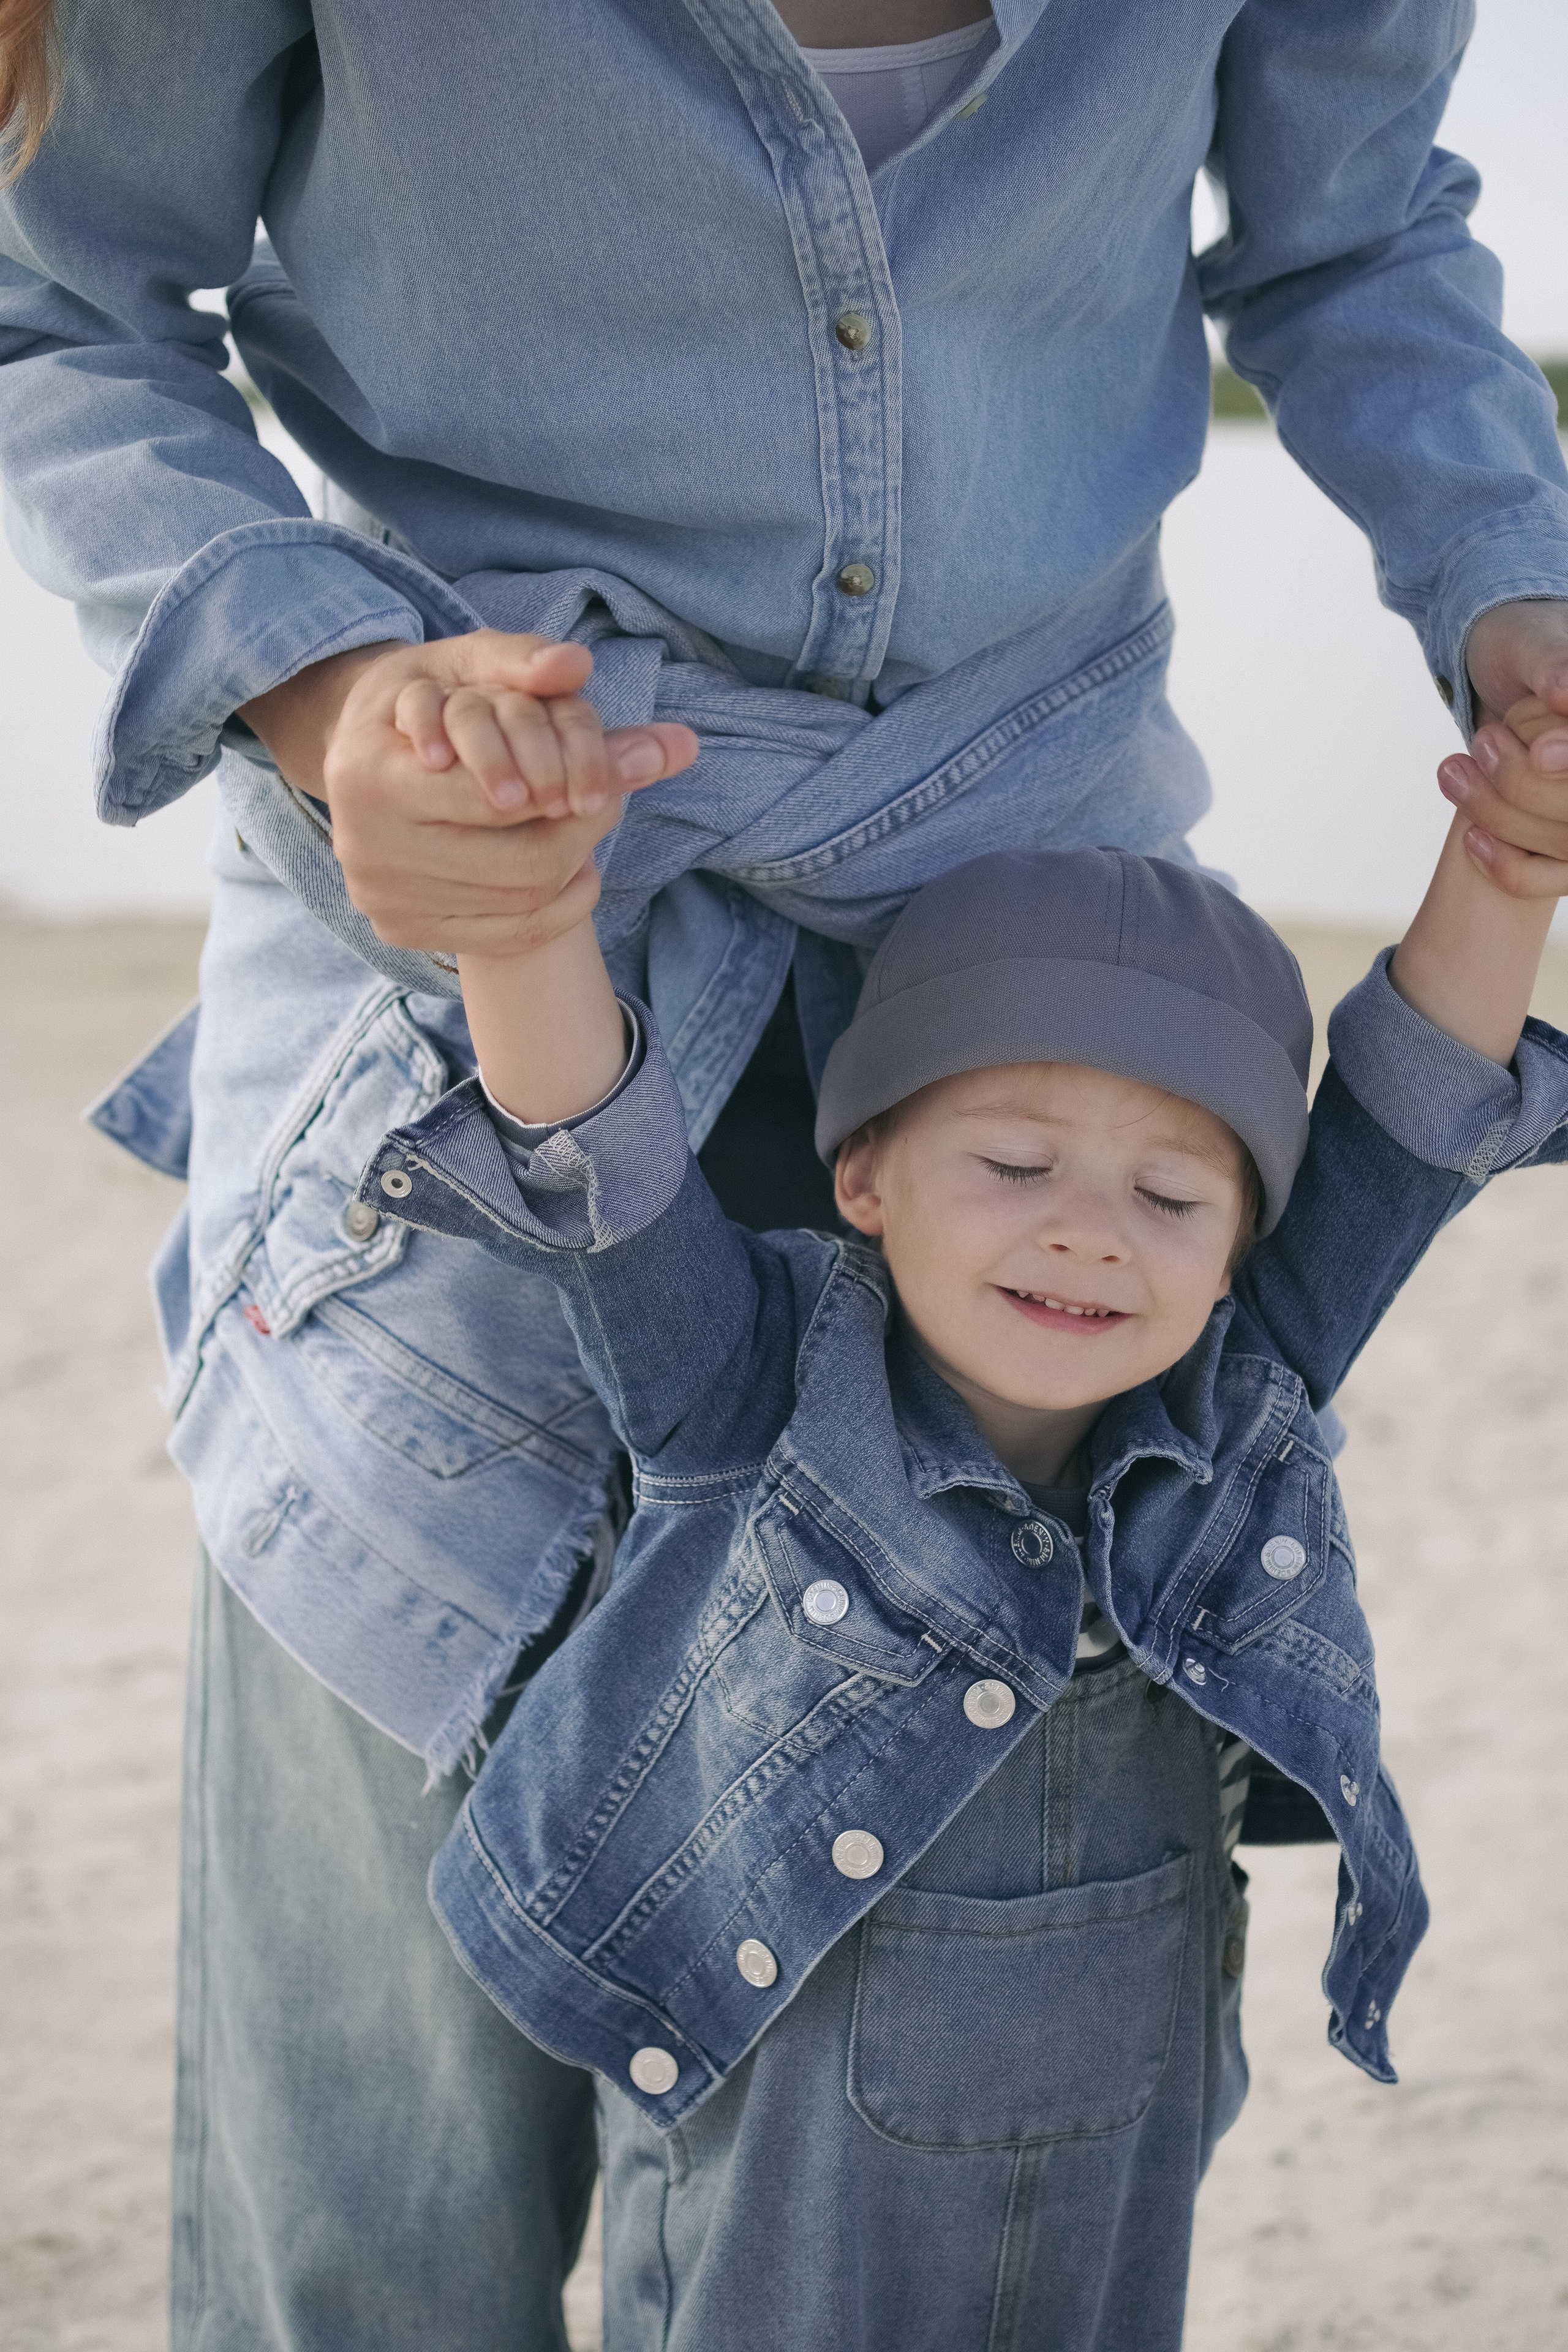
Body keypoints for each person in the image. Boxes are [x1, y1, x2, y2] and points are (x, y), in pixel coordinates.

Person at [6, 3, 1568, 2340]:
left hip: (1042, 950)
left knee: (860, 2156)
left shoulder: (1120, 1216)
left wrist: (1511, 592)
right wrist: (340, 705)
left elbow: (1355, 239)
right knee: (381, 2185)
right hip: (448, 955)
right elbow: (56, 301)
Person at [361, 701, 1568, 2350]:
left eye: (1169, 1197)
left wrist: (1513, 856)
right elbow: (600, 1168)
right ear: (866, 1173)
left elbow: (1413, 1109)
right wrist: (523, 922)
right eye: (1013, 1163)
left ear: (1237, 1246)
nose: (1089, 1236)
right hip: (789, 2160)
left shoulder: (1241, 1391)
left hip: (1121, 2122)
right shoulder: (748, 1393)